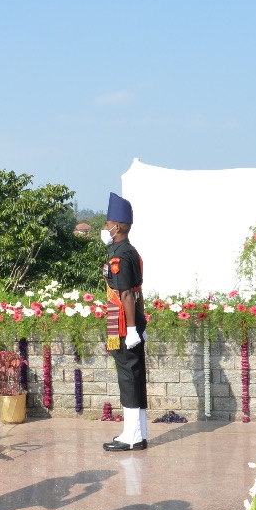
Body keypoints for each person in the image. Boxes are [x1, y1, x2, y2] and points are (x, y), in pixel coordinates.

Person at [101, 192, 149, 452]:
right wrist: (142, 325)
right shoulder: (132, 252)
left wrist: (131, 330)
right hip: (131, 323)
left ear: (117, 227)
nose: (106, 228)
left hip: (122, 325)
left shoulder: (118, 256)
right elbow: (139, 290)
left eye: (108, 224)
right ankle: (139, 434)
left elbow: (128, 293)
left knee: (128, 378)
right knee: (136, 377)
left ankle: (130, 437)